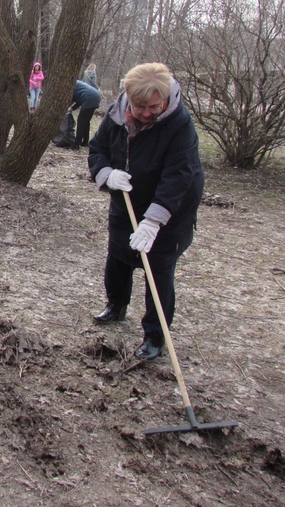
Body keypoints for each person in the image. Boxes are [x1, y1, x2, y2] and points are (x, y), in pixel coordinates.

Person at [87, 62, 204, 360]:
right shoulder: (116, 114)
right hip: (126, 199)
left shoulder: (180, 124)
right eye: (141, 107)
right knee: (118, 256)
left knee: (158, 268)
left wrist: (153, 222)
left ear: (165, 99)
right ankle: (116, 305)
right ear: (128, 97)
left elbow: (179, 175)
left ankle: (154, 334)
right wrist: (106, 173)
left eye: (154, 106)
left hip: (170, 208)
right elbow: (97, 149)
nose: (147, 113)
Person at [70, 80, 101, 149]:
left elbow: (73, 99)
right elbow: (79, 99)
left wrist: (71, 108)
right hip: (96, 96)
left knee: (81, 121)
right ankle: (85, 142)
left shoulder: (71, 86)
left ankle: (76, 144)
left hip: (89, 98)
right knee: (86, 122)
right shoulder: (77, 84)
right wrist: (72, 108)